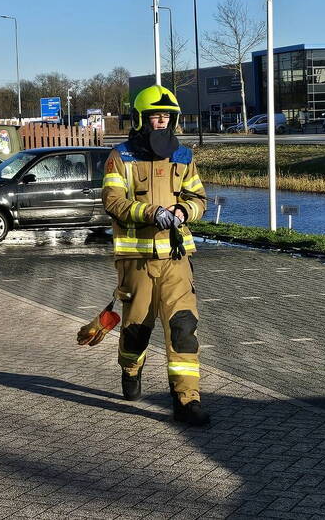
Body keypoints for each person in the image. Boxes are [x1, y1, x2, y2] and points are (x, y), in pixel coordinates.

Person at [100, 85, 210, 425]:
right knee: (137, 330)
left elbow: (199, 199)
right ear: (140, 118)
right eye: (154, 116)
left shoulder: (184, 156)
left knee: (183, 327)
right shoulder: (120, 156)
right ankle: (131, 370)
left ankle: (186, 399)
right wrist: (150, 213)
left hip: (177, 260)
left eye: (166, 116)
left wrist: (183, 212)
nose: (160, 121)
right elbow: (113, 202)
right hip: (137, 262)